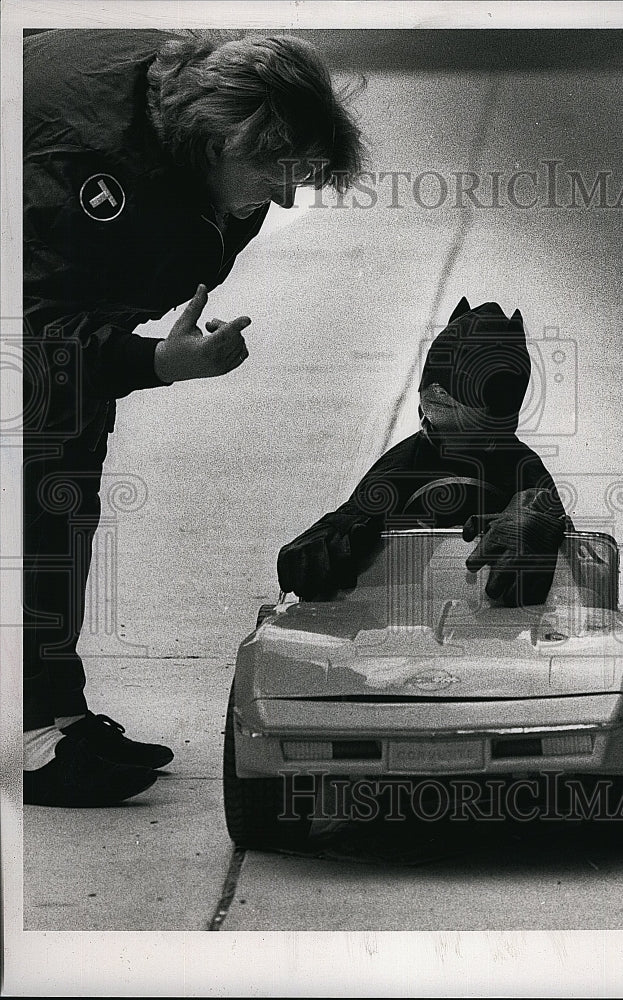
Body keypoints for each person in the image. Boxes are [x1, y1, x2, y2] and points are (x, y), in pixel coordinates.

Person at [23, 29, 365, 806]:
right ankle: (35, 736)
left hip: (62, 281)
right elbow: (32, 346)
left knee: (62, 498)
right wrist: (152, 362)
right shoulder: (78, 165)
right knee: (39, 484)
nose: (285, 199)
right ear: (217, 142)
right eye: (275, 173)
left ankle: (52, 712)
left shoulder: (203, 127)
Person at [277, 297, 571, 607]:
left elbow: (548, 516)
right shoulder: (407, 460)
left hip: (500, 616)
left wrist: (535, 514)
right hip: (408, 615)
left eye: (456, 423)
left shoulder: (522, 468)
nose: (439, 436)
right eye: (430, 420)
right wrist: (329, 535)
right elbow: (358, 513)